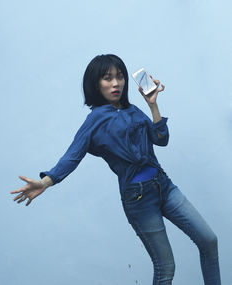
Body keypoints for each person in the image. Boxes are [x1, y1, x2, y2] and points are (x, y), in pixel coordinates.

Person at [11, 54, 221, 284]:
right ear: (96, 84)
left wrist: (153, 106)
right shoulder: (94, 120)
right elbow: (71, 157)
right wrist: (44, 182)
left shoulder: (133, 111)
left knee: (209, 241)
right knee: (166, 267)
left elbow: (162, 139)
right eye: (107, 78)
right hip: (138, 198)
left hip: (164, 186)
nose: (115, 83)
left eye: (120, 77)